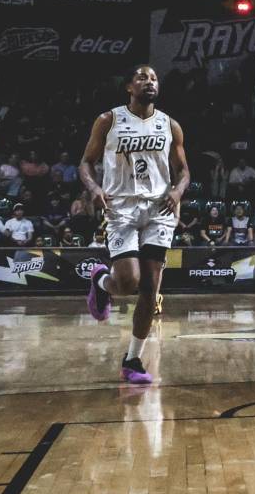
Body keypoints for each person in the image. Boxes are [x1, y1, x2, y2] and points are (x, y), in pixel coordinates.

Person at [81, 67, 190, 385]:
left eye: (154, 78)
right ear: (129, 86)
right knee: (128, 282)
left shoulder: (170, 125)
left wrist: (177, 191)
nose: (149, 82)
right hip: (121, 209)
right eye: (142, 78)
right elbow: (86, 162)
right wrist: (94, 188)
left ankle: (132, 360)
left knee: (150, 286)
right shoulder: (108, 120)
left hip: (159, 209)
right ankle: (101, 281)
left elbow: (184, 171)